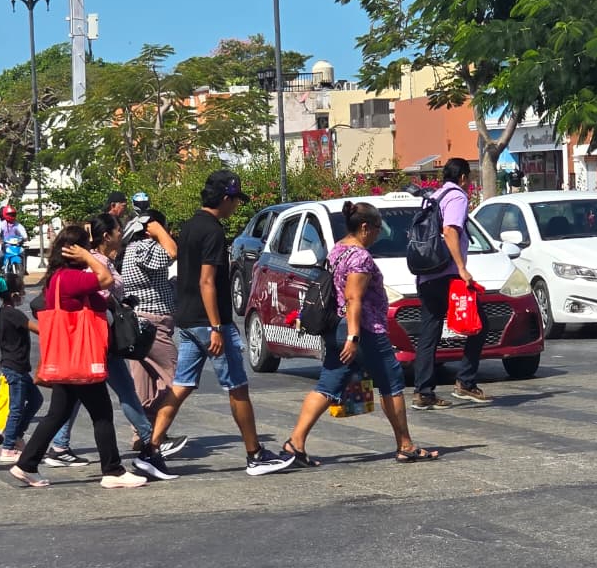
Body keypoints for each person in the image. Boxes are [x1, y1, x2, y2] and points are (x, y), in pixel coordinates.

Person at [147, 170, 295, 476]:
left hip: (187, 319)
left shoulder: (190, 226)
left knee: (182, 386)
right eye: (236, 200)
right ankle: (255, 455)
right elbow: (206, 281)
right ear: (225, 199)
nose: (236, 207)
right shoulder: (213, 231)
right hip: (209, 322)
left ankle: (151, 449)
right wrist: (216, 327)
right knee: (238, 387)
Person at [282, 203, 439, 467]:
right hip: (364, 330)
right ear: (365, 227)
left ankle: (295, 443)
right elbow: (354, 299)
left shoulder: (337, 250)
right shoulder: (360, 257)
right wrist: (354, 338)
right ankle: (405, 445)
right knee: (392, 383)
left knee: (327, 385)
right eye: (378, 228)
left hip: (337, 326)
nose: (379, 233)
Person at [42, 214, 179, 481]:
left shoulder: (103, 261)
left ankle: (51, 450)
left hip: (99, 338)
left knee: (74, 400)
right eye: (117, 230)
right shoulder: (98, 264)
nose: (121, 233)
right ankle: (148, 443)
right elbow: (103, 287)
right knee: (123, 393)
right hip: (98, 338)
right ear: (107, 236)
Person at [10, 225, 147, 489]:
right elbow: (106, 279)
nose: (91, 251)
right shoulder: (70, 278)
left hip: (68, 358)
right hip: (82, 356)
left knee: (58, 414)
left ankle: (26, 464)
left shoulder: (57, 278)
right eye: (86, 247)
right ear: (76, 250)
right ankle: (113, 471)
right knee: (102, 413)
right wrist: (88, 258)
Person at [413, 157, 492, 411]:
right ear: (463, 178)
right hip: (448, 275)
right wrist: (461, 268)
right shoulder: (456, 196)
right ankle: (465, 381)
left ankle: (423, 392)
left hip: (426, 274)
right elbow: (450, 230)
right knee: (480, 323)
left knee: (429, 332)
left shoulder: (434, 196)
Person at [119, 209, 185, 451]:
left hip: (138, 322)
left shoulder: (131, 249)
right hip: (151, 323)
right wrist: (159, 231)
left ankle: (142, 435)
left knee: (142, 385)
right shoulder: (145, 247)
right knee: (178, 378)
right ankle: (156, 434)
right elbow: (171, 253)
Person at [0, 276, 42, 464]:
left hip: (17, 367)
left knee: (36, 399)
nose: (24, 295)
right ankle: (8, 447)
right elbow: (38, 330)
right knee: (17, 408)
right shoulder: (14, 314)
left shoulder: (1, 312)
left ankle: (17, 436)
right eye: (21, 292)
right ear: (13, 295)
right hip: (15, 368)